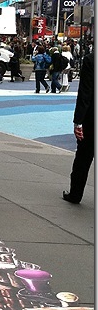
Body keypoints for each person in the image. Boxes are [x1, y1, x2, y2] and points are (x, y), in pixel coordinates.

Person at [63, 52, 94, 204]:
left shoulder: (91, 60)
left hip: (92, 119)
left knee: (83, 158)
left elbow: (85, 93)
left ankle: (75, 194)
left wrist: (78, 121)